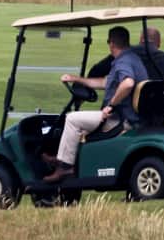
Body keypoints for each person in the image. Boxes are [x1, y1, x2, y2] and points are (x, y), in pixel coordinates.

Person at [44, 25, 148, 182]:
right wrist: (77, 79)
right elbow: (105, 82)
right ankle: (62, 158)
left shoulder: (122, 61)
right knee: (77, 120)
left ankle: (65, 167)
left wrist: (111, 105)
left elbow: (127, 83)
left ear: (111, 43)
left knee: (72, 119)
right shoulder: (132, 58)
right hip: (129, 116)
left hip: (118, 119)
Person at [87, 26, 164, 83]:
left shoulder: (123, 52)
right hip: (156, 111)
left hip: (125, 108)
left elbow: (96, 71)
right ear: (159, 43)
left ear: (141, 39)